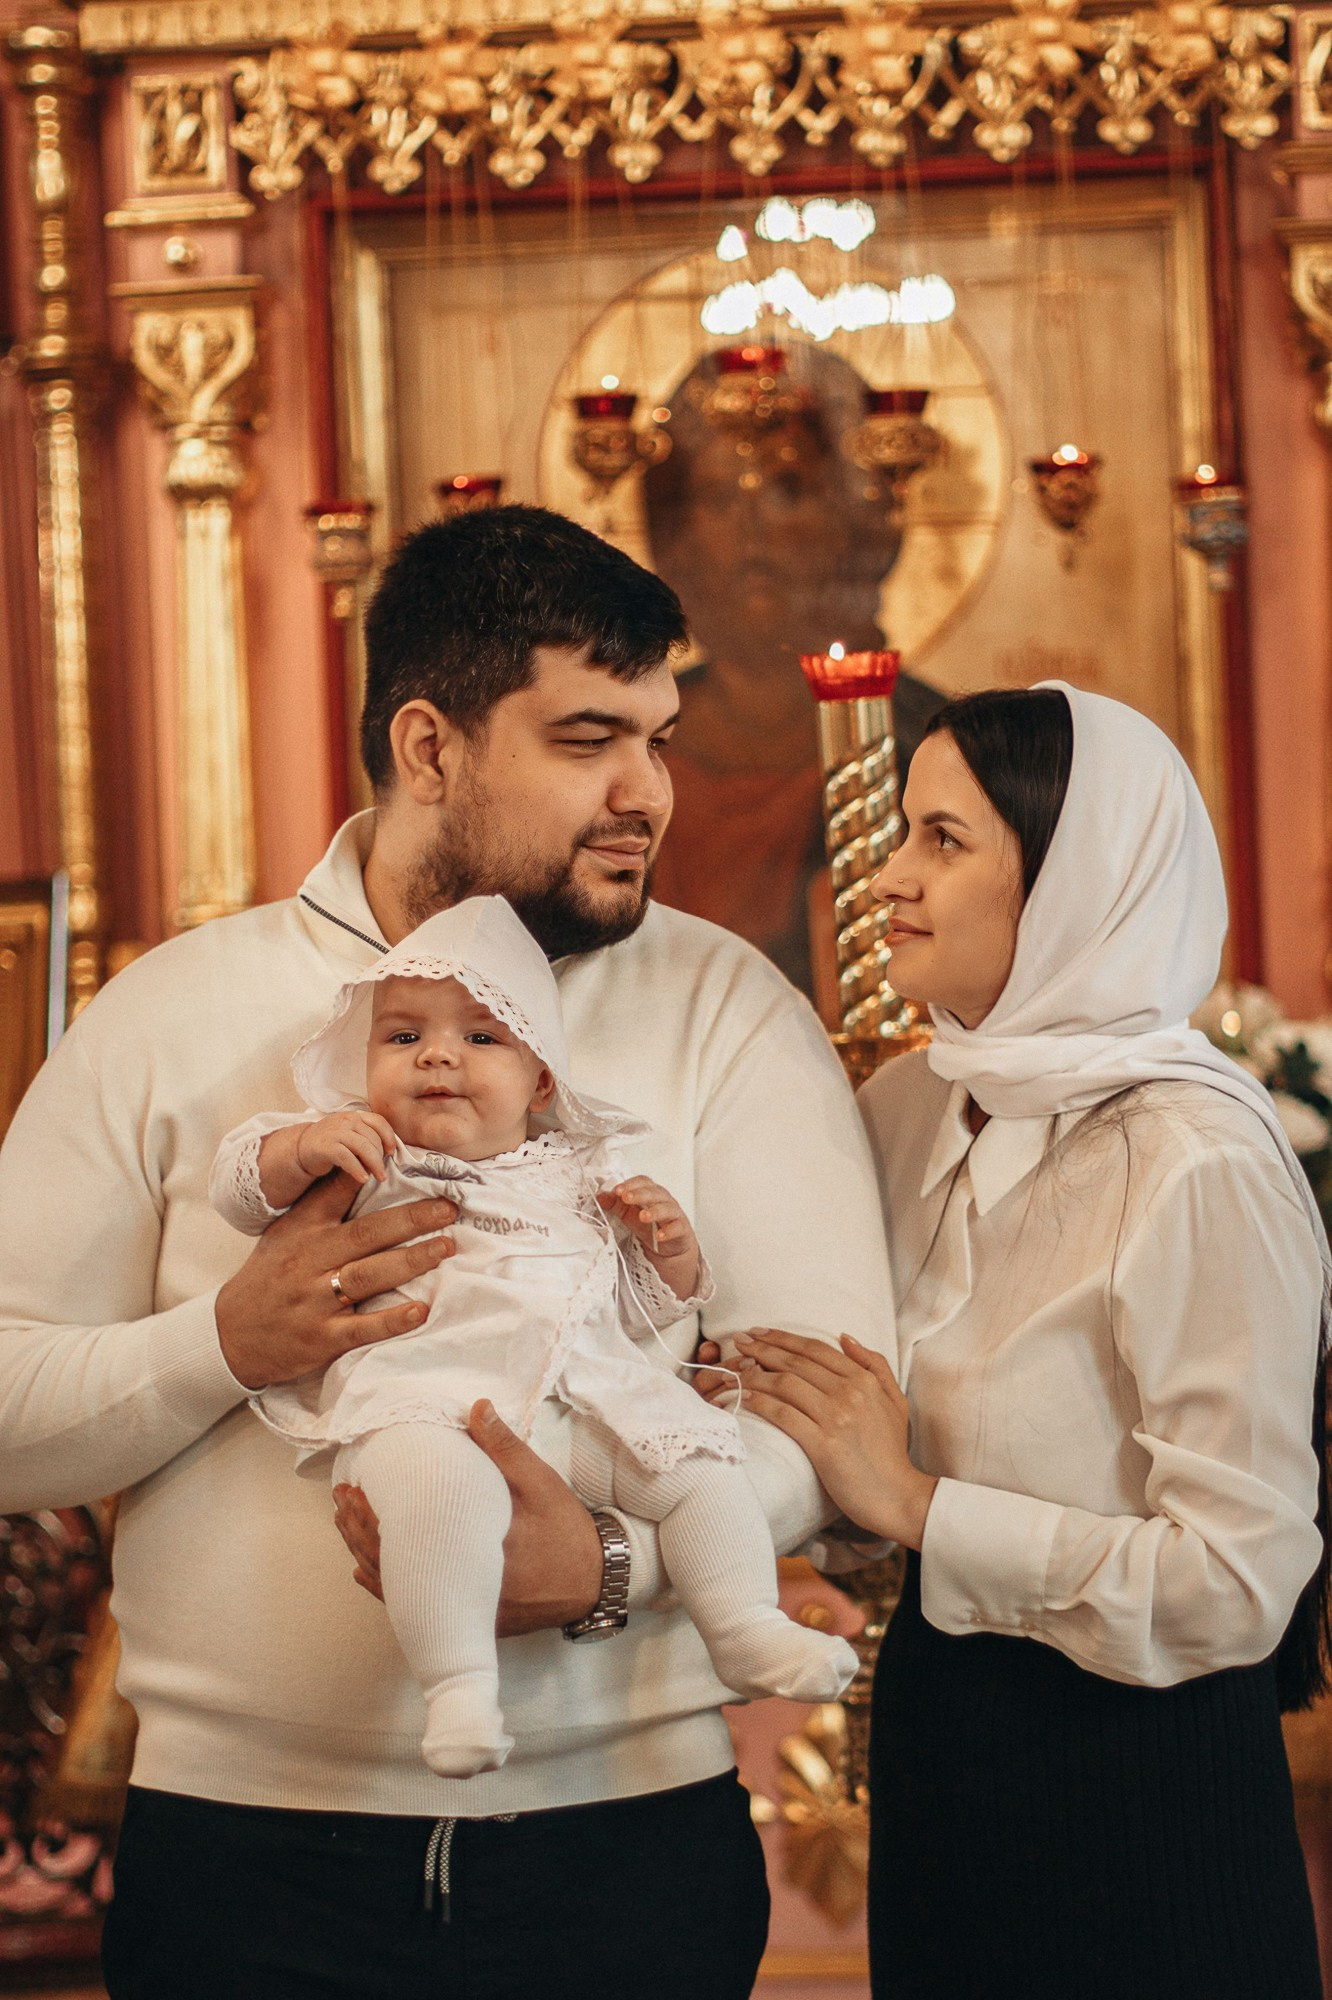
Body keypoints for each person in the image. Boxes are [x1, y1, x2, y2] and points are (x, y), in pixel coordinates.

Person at [0, 504, 894, 2000]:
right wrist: (225, 1343)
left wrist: (610, 1566)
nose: (647, 793)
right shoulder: (167, 1013)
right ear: (428, 746)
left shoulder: (728, 1004)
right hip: (244, 1862)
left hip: (626, 1853)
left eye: (660, 740)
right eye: (589, 739)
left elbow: (827, 1407)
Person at [731, 684, 1330, 2000]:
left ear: (1075, 880)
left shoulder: (1194, 1157)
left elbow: (1239, 1581)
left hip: (1144, 1785)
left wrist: (917, 1503)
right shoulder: (907, 1106)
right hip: (945, 1752)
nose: (888, 876)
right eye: (901, 830)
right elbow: (869, 1448)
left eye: (942, 839)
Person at [211, 896, 856, 1777]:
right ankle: (459, 1688)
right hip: (426, 1404)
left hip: (580, 1404)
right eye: (403, 1037)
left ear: (541, 1084)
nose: (437, 1054)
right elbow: (239, 1189)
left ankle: (744, 1627)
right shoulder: (368, 1158)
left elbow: (641, 1309)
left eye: (481, 1037)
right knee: (437, 1500)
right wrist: (302, 1148)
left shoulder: (579, 1174)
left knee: (702, 1468)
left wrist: (667, 1247)